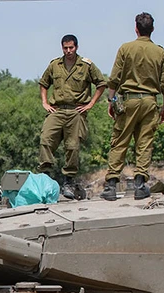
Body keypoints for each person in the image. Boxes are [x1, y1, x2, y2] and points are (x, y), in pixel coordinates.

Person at [101, 12, 164, 201]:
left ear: (136, 28)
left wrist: (111, 101)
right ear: (152, 30)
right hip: (150, 101)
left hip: (129, 100)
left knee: (120, 141)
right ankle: (140, 184)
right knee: (145, 143)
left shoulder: (125, 48)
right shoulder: (160, 52)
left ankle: (111, 186)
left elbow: (114, 79)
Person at [38, 35, 106, 199]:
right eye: (65, 48)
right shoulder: (55, 65)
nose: (68, 51)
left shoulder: (86, 65)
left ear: (77, 47)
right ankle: (46, 177)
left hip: (77, 111)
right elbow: (43, 83)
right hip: (57, 109)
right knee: (45, 140)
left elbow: (101, 84)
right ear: (62, 48)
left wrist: (90, 104)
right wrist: (45, 102)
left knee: (72, 147)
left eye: (71, 48)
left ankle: (68, 181)